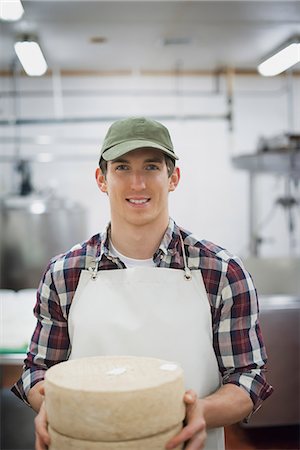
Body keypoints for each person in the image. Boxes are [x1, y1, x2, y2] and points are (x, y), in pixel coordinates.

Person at [12, 116, 273, 450]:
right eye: (121, 168)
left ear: (173, 178)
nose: (137, 183)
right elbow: (39, 369)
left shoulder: (222, 272)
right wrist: (51, 405)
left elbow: (248, 377)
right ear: (101, 179)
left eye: (151, 167)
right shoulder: (65, 273)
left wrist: (202, 412)